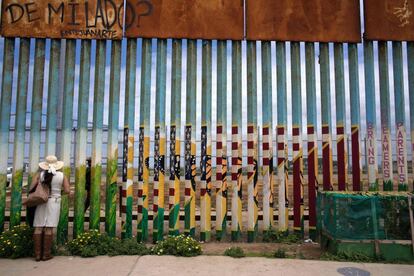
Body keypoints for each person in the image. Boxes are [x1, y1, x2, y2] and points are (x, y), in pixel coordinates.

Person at [31, 155, 70, 261]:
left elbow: (31, 188)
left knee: (38, 227)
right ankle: (46, 254)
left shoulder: (40, 175)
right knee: (49, 227)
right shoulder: (62, 175)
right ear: (57, 165)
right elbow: (67, 191)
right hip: (54, 201)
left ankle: (37, 255)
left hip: (41, 201)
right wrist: (58, 193)